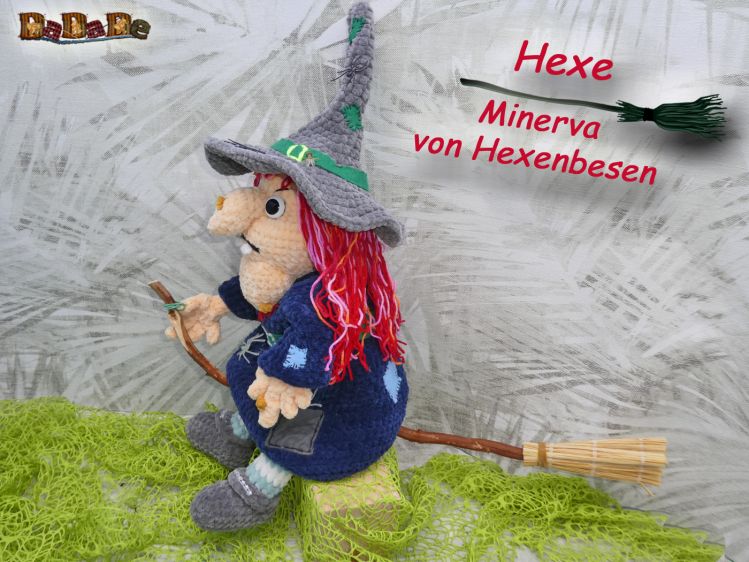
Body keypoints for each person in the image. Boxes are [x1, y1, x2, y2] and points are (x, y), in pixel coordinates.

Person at [164, 2, 408, 531]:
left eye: (273, 206)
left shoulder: (331, 300)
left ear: (329, 227)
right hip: (285, 381)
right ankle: (240, 431)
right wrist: (217, 303)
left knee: (292, 426)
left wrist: (289, 379)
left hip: (338, 406)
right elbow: (262, 291)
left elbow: (319, 347)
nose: (250, 215)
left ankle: (258, 490)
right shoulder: (296, 276)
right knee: (264, 396)